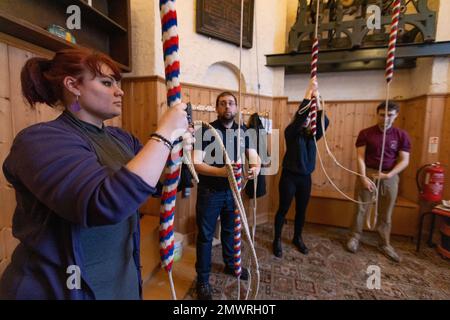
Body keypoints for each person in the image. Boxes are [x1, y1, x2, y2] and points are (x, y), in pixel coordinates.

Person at [0, 48, 191, 299]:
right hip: (56, 289)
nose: (119, 90)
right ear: (73, 85)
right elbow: (104, 203)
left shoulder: (121, 138)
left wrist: (182, 155)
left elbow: (159, 185)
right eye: (106, 82)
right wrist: (164, 135)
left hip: (120, 281)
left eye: (117, 83)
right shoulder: (39, 140)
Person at [192, 92, 261, 300]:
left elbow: (254, 156)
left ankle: (232, 265)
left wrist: (256, 167)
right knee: (205, 236)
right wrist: (222, 172)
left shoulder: (244, 131)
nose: (227, 107)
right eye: (222, 104)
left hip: (234, 193)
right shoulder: (205, 130)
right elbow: (196, 163)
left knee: (231, 231)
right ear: (217, 108)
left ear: (237, 107)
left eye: (231, 103)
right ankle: (202, 280)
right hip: (210, 193)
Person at [346, 102, 411, 263]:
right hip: (368, 172)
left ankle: (384, 244)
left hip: (389, 175)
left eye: (390, 115)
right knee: (361, 207)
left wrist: (390, 175)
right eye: (382, 114)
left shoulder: (401, 135)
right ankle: (354, 237)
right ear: (377, 114)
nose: (386, 118)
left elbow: (404, 161)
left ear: (395, 115)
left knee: (386, 211)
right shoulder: (366, 133)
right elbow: (360, 157)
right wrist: (363, 177)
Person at [272, 79, 329, 258]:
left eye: (310, 117)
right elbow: (300, 118)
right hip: (289, 177)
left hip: (305, 178)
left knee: (301, 210)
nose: (308, 120)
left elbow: (324, 122)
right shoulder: (291, 132)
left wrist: (317, 101)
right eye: (306, 117)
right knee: (283, 208)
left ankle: (297, 238)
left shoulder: (312, 136)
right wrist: (307, 94)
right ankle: (277, 240)